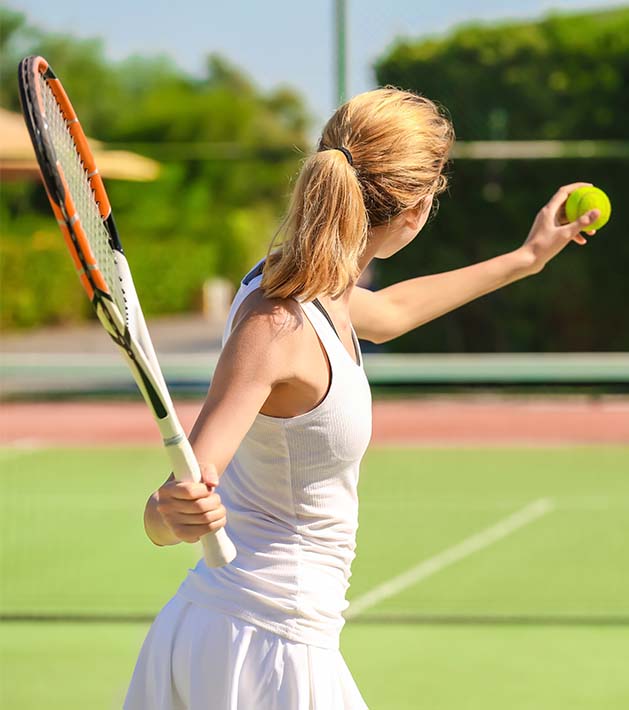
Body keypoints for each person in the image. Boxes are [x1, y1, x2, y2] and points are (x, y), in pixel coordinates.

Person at [124, 87, 600, 710]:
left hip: (260, 635)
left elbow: (392, 311)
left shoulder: (312, 287)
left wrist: (527, 258)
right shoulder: (278, 323)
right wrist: (170, 512)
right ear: (416, 210)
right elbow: (167, 512)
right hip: (263, 647)